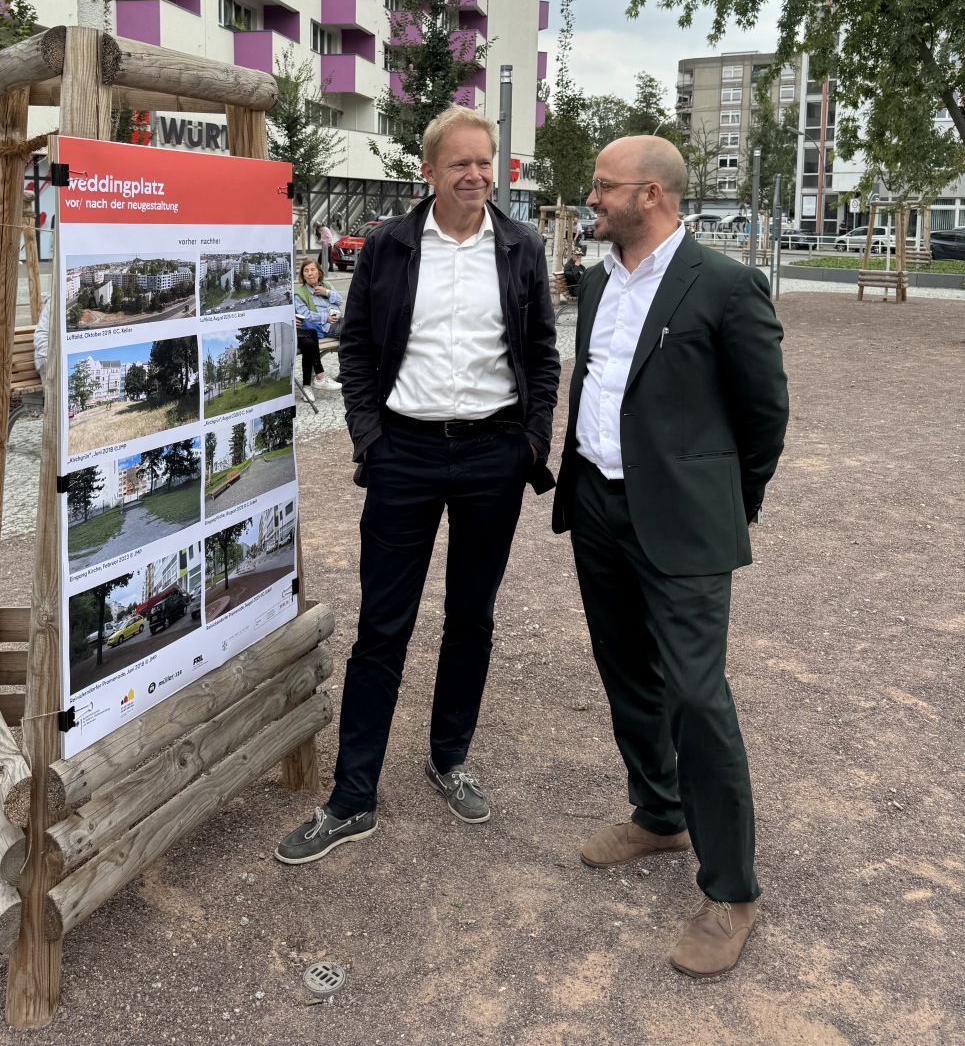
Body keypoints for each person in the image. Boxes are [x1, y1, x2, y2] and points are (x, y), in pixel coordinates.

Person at [275, 105, 560, 865]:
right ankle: (352, 796)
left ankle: (448, 756)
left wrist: (531, 442)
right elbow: (357, 347)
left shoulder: (520, 244)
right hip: (403, 454)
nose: (475, 175)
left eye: (485, 161)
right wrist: (369, 438)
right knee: (384, 627)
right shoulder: (390, 246)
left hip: (492, 456)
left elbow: (540, 353)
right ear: (427, 171)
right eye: (459, 163)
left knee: (471, 618)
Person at [552, 135, 788, 979]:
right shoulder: (596, 276)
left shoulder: (724, 286)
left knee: (695, 694)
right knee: (625, 672)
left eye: (603, 187)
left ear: (650, 195)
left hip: (682, 524)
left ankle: (730, 891)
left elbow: (763, 417)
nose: (591, 197)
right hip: (598, 508)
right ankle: (657, 812)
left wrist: (726, 501)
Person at [295, 258, 342, 395]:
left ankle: (347, 374)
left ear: (319, 272)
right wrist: (325, 318)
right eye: (306, 271)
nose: (310, 273)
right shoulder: (301, 294)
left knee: (358, 329)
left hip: (339, 321)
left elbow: (340, 300)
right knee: (351, 334)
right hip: (324, 327)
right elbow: (305, 314)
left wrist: (326, 292)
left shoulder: (326, 285)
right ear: (303, 275)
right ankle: (346, 375)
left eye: (313, 270)